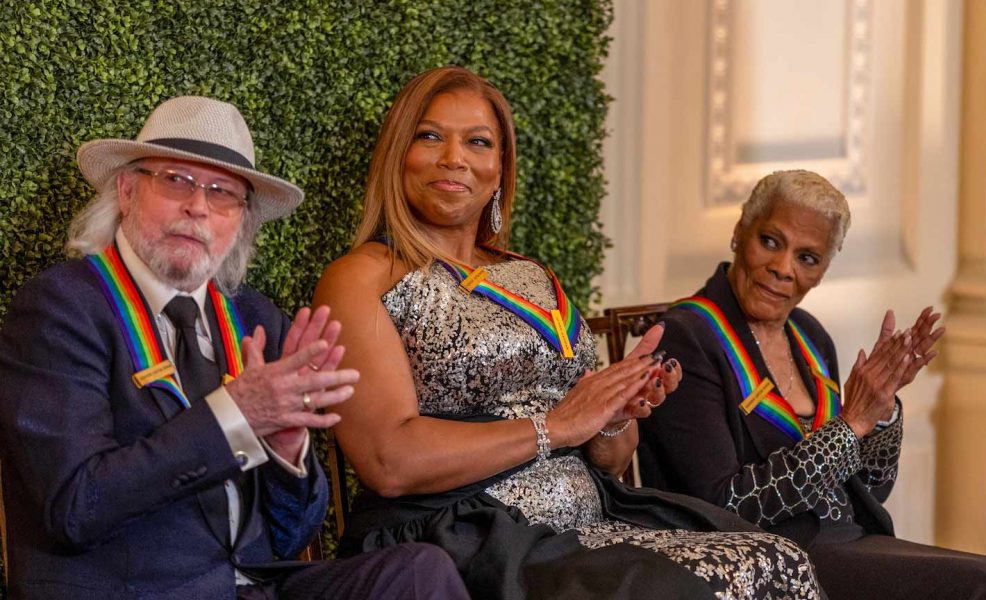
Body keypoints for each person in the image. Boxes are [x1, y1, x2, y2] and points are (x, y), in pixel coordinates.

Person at [313, 65, 825, 600]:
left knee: (777, 560)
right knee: (690, 587)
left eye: (478, 142)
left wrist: (611, 414)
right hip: (464, 530)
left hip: (590, 519)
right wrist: (555, 426)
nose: (455, 158)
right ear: (399, 154)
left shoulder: (534, 276)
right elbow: (389, 461)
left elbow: (611, 454)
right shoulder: (363, 275)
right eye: (430, 136)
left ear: (500, 169)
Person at [0, 96, 469, 600]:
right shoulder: (61, 308)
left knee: (418, 572)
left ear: (241, 223)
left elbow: (290, 536)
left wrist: (286, 449)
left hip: (253, 587)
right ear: (128, 190)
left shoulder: (254, 319)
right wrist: (235, 416)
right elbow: (76, 507)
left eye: (223, 193)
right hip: (133, 591)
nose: (198, 206)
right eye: (176, 180)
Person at [637, 169, 986, 599]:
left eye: (808, 258)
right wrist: (850, 425)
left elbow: (871, 488)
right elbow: (726, 505)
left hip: (849, 542)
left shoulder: (810, 336)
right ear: (739, 233)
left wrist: (880, 412)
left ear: (823, 271)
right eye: (770, 242)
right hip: (772, 563)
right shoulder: (689, 337)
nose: (782, 269)